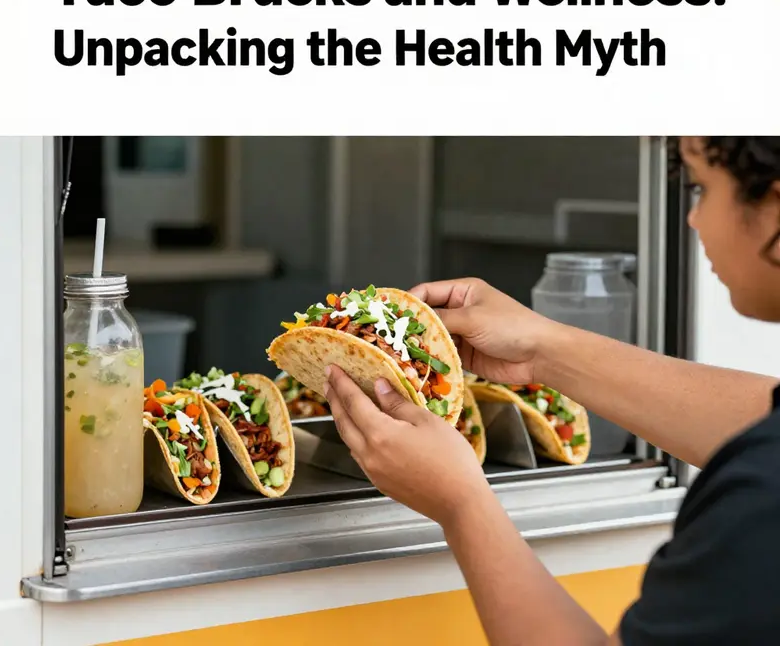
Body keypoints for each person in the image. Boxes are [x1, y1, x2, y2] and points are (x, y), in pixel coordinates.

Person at [323, 137, 780, 645]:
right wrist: (542, 349)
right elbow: (759, 424)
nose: (691, 219)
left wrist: (461, 504)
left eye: (702, 188)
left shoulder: (760, 507)